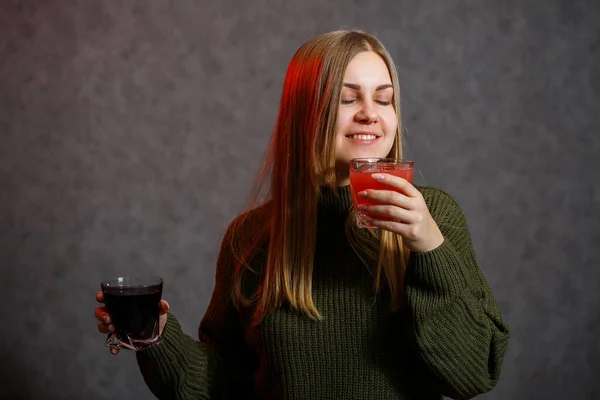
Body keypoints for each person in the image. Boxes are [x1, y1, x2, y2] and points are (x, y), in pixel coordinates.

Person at [95, 29, 510, 400]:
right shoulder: (250, 237)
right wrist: (155, 337)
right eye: (348, 99)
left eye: (383, 98)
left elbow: (474, 373)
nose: (370, 112)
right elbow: (224, 385)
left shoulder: (435, 216)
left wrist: (429, 247)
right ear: (306, 114)